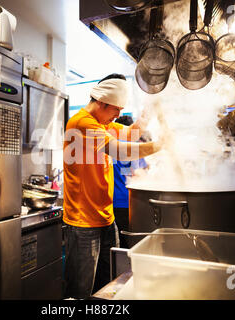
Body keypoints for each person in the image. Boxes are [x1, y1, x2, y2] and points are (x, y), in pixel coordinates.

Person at [62, 73, 164, 299]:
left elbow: (130, 134)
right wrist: (159, 146)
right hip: (83, 222)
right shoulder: (82, 123)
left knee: (108, 288)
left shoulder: (102, 122)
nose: (118, 115)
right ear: (101, 102)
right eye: (116, 109)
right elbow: (120, 150)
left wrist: (149, 113)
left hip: (106, 218)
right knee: (81, 291)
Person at [113, 115, 149, 248]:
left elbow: (124, 171)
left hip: (113, 202)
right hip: (129, 201)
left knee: (118, 244)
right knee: (132, 244)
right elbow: (137, 172)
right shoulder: (133, 147)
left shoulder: (110, 146)